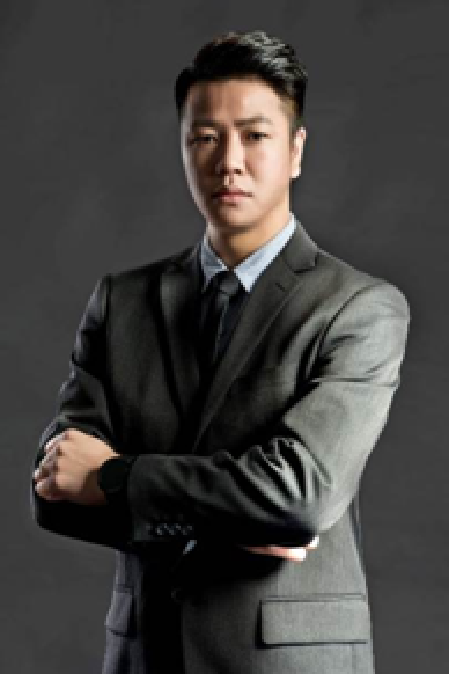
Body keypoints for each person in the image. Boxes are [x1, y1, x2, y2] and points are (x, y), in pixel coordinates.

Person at [31, 29, 411, 674]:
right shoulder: (122, 302)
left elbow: (300, 496)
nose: (228, 161)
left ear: (295, 150)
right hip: (146, 654)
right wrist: (241, 518)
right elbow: (56, 488)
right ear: (184, 149)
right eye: (205, 138)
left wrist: (117, 480)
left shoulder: (359, 307)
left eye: (254, 135)